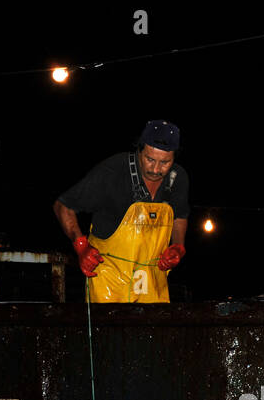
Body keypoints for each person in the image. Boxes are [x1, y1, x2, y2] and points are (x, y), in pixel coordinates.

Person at [52, 120, 189, 303]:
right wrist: (81, 247)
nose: (156, 169)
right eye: (150, 159)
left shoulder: (178, 178)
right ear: (139, 150)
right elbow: (63, 206)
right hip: (108, 280)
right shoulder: (113, 171)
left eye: (165, 162)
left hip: (152, 281)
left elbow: (179, 215)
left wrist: (178, 247)